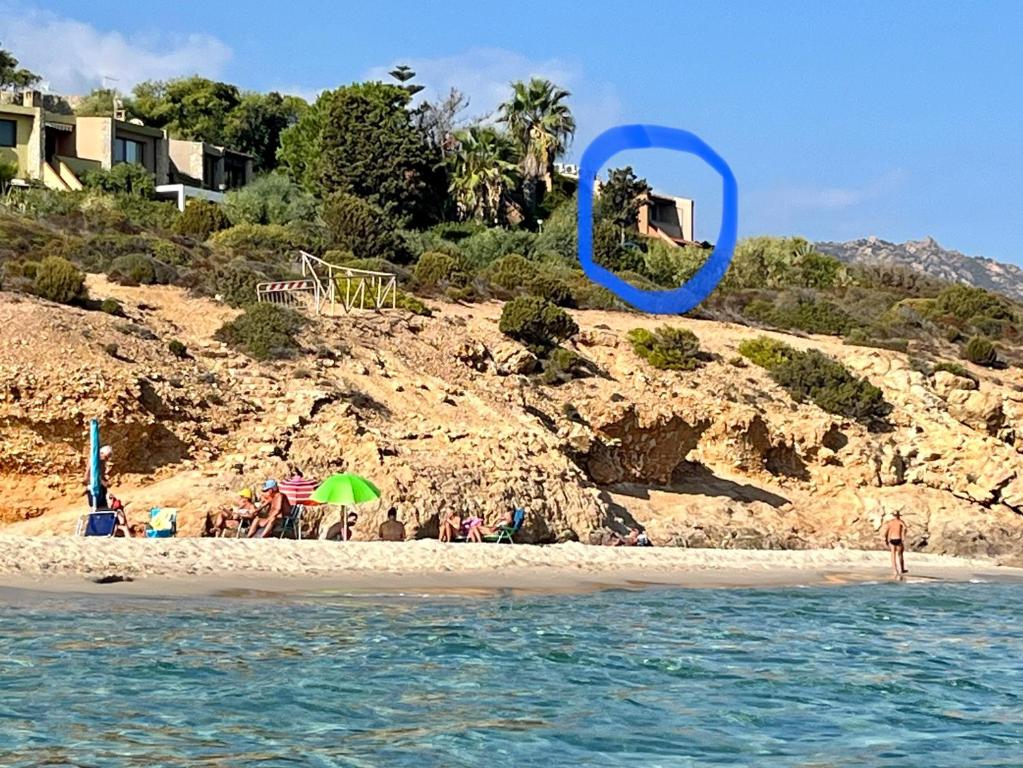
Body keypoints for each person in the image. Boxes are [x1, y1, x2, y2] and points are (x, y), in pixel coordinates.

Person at [84, 445, 112, 509]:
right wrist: (103, 483)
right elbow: (91, 475)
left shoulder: (102, 462)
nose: (107, 459)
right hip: (94, 488)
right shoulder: (94, 461)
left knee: (104, 507)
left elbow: (101, 475)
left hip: (101, 488)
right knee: (98, 507)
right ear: (102, 453)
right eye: (106, 457)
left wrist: (106, 481)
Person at [883, 510, 908, 577]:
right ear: (898, 515)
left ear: (893, 515)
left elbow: (886, 531)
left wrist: (886, 539)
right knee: (900, 554)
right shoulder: (900, 521)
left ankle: (895, 570)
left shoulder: (890, 522)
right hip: (898, 539)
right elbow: (905, 528)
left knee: (893, 555)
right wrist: (903, 535)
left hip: (892, 539)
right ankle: (902, 569)